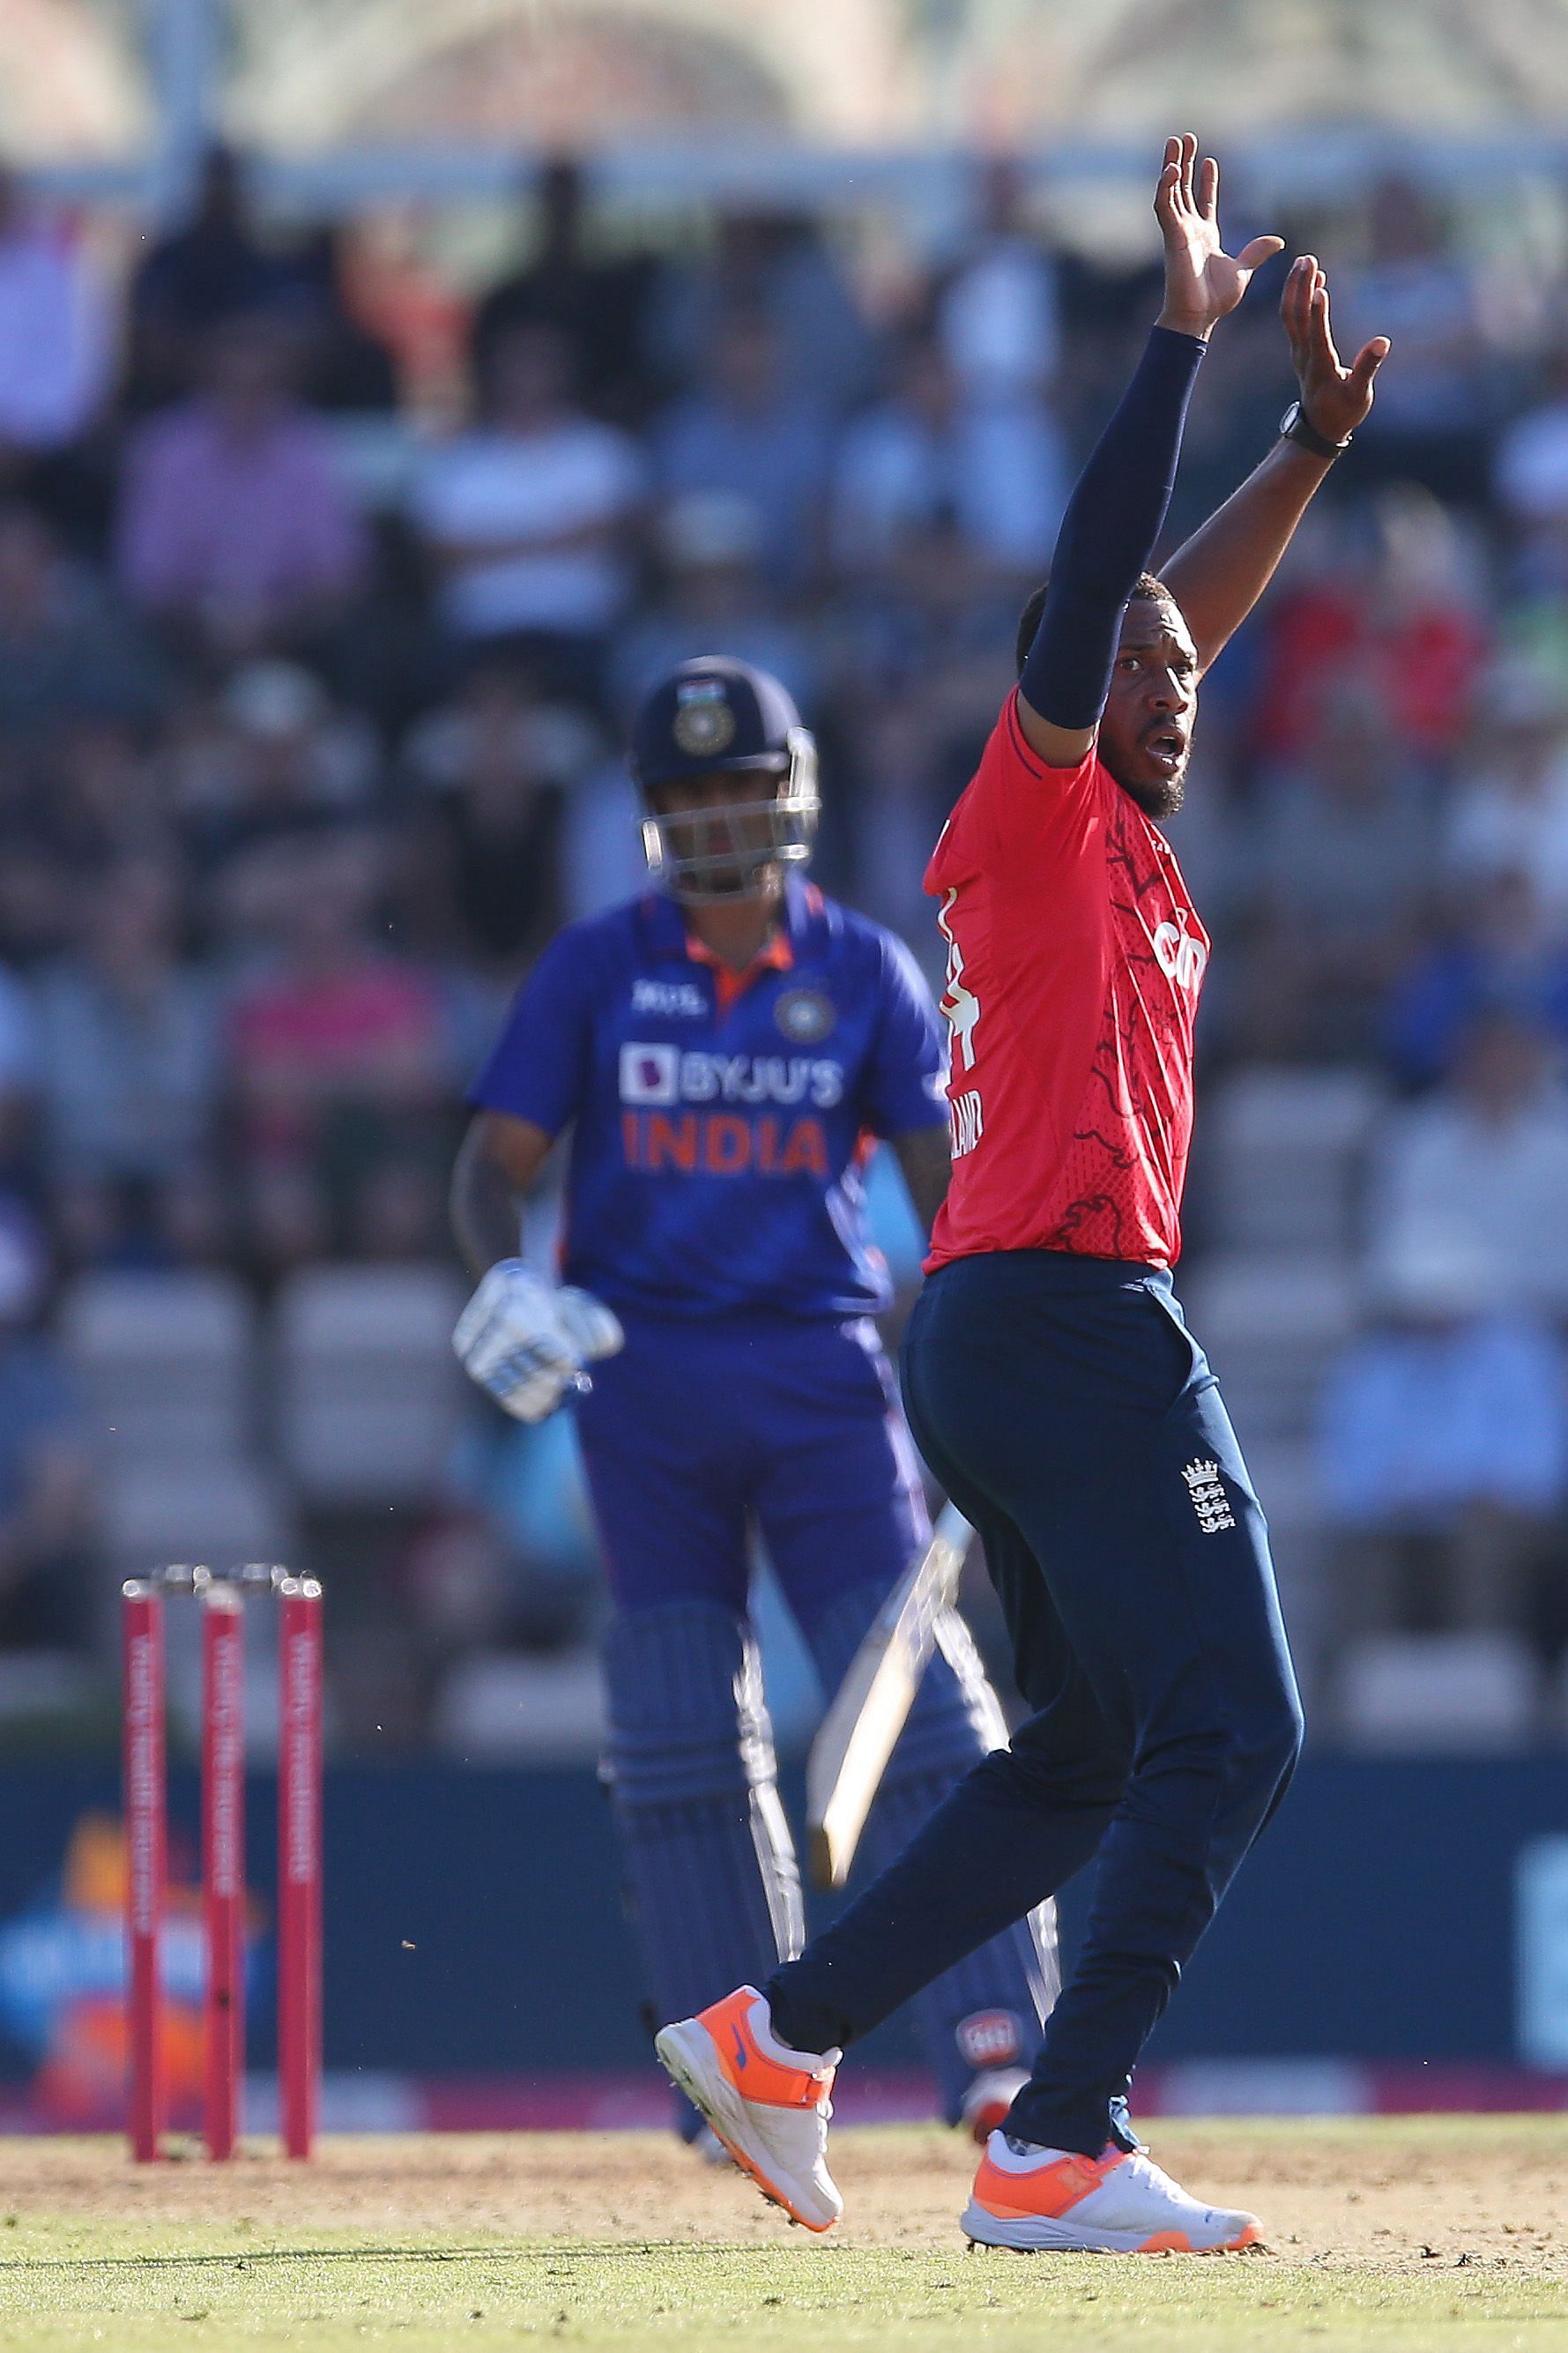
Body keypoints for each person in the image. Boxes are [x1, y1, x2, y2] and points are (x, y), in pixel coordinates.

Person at [651, 138, 1391, 2253]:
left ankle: (782, 2041)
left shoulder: (1125, 834)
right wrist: (1175, 341)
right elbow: (1102, 599)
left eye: (1183, 665)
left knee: (1079, 1755)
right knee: (1233, 1725)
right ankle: (1054, 2136)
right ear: (1060, 687)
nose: (1174, 675)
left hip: (1017, 1319)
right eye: (1136, 664)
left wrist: (1307, 445)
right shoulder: (1038, 804)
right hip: (1063, 1313)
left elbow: (1169, 619)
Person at [450, 652, 1057, 2152]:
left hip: (823, 1378)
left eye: (744, 786)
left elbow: (952, 1201)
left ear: (791, 797)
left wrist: (980, 1364)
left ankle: (994, 2045)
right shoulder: (598, 967)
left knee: (916, 1710)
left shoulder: (862, 972)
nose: (721, 818)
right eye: (692, 794)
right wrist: (504, 1281)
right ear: (657, 815)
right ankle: (737, 2071)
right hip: (638, 1378)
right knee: (677, 1723)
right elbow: (488, 1168)